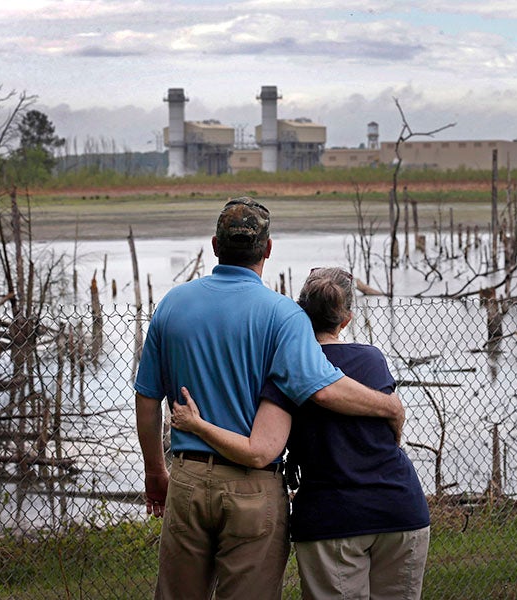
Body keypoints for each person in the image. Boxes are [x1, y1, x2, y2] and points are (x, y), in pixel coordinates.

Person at [134, 198, 404, 600]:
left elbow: (147, 397)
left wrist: (156, 471)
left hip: (187, 480)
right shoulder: (283, 315)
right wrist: (389, 406)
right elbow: (326, 389)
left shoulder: (172, 304)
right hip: (252, 488)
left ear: (214, 245)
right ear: (268, 249)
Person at [172, 267, 430, 600]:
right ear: (346, 319)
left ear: (299, 312)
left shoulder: (285, 370)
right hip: (402, 509)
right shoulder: (372, 359)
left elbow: (258, 451)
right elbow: (393, 421)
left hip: (333, 519)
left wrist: (198, 425)